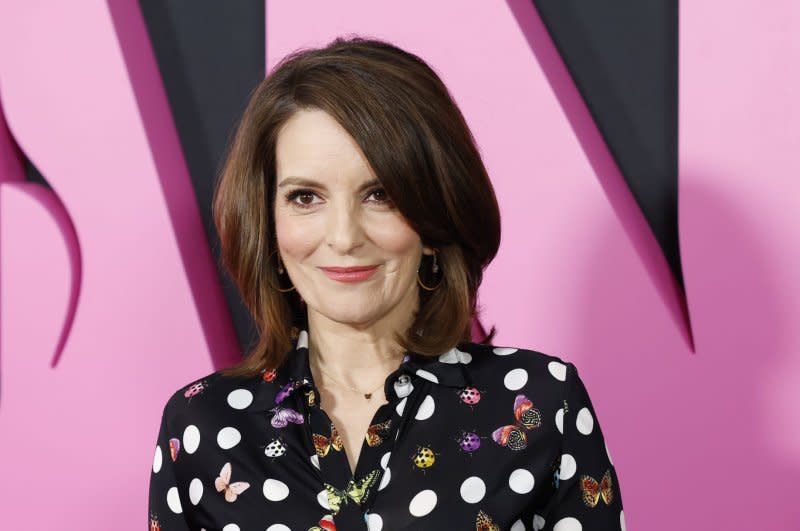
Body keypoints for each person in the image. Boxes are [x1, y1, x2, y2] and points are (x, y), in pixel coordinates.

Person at [148, 35, 624, 531]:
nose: (344, 237)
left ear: (436, 215)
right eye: (306, 198)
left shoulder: (542, 404)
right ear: (267, 225)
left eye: (379, 194)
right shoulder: (201, 426)